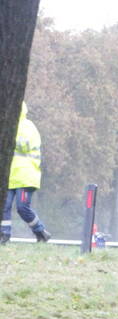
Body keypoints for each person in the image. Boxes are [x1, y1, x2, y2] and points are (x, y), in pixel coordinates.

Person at [2, 102, 51, 244]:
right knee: (4, 206)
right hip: (10, 176)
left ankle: (41, 232)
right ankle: (4, 235)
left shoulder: (28, 126)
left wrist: (9, 138)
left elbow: (26, 145)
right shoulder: (6, 125)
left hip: (26, 176)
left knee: (22, 207)